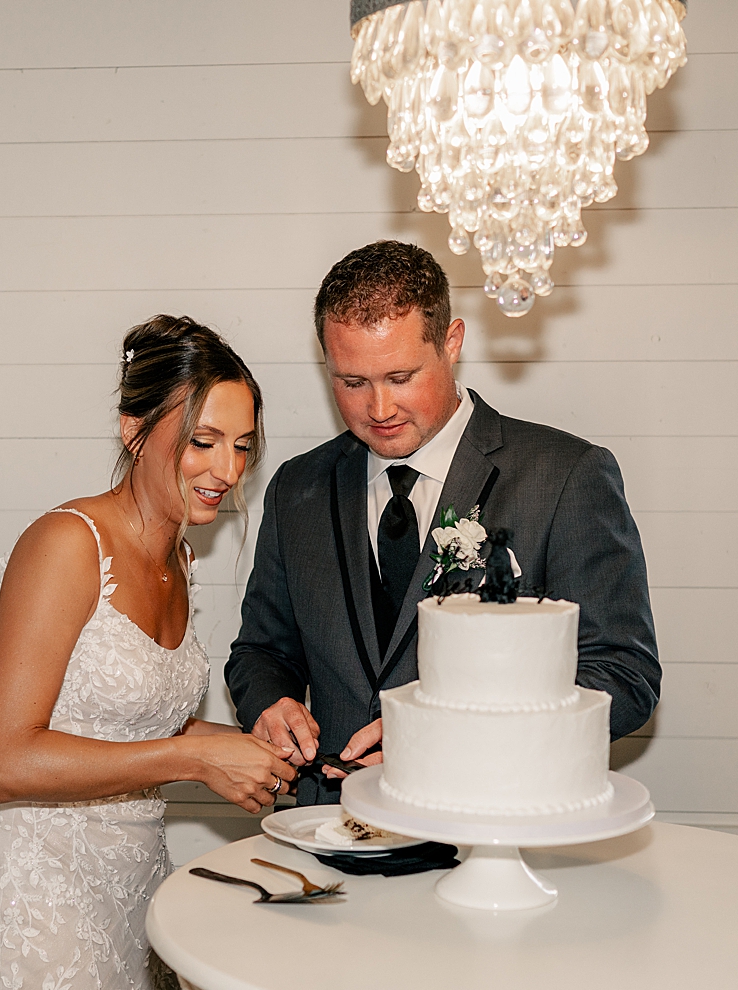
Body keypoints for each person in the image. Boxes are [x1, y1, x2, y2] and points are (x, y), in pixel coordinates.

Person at [225, 241, 661, 805]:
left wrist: (447, 736)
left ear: (451, 342)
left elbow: (623, 675)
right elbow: (262, 651)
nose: (378, 408)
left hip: (494, 828)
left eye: (401, 376)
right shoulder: (297, 488)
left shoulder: (566, 476)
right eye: (352, 382)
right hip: (331, 837)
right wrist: (270, 703)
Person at [0, 317, 296, 990]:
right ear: (133, 429)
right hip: (37, 900)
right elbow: (8, 764)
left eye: (242, 448)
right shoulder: (66, 544)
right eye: (203, 442)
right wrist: (196, 761)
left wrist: (250, 745)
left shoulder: (180, 558)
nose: (226, 472)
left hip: (139, 892)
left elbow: (133, 723)